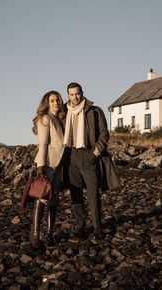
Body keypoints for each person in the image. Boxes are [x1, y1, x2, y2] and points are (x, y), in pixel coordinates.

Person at [63, 82, 110, 240]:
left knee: (93, 193)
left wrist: (96, 152)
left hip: (89, 155)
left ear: (82, 93)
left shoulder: (94, 111)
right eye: (71, 94)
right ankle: (80, 226)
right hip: (71, 156)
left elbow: (104, 133)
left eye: (77, 93)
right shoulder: (64, 111)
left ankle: (98, 228)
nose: (75, 97)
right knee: (75, 193)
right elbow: (48, 122)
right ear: (67, 95)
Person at [21, 90, 65, 248]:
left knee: (54, 201)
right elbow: (43, 145)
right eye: (52, 100)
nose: (56, 103)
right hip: (48, 165)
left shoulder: (58, 119)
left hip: (58, 165)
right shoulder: (45, 119)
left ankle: (50, 234)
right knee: (42, 199)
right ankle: (34, 236)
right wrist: (40, 168)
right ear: (47, 103)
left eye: (58, 100)